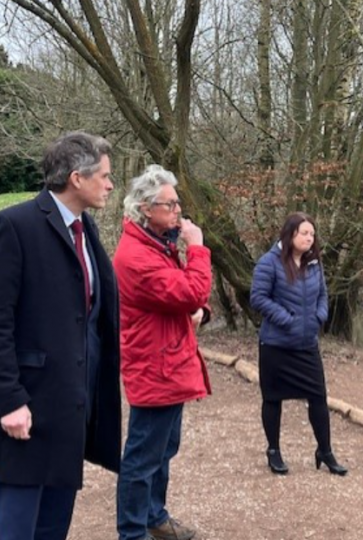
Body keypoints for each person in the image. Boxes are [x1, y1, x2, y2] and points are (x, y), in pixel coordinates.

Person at [0, 131, 121, 540]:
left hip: (69, 415)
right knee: (15, 532)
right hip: (27, 413)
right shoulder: (14, 225)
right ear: (77, 177)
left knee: (52, 532)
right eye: (105, 176)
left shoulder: (85, 229)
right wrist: (9, 402)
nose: (110, 184)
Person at [113, 165, 212, 540]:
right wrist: (198, 247)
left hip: (168, 361)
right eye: (170, 204)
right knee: (142, 458)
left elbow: (183, 294)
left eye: (177, 203)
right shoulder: (136, 255)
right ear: (145, 208)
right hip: (154, 366)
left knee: (164, 449)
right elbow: (189, 291)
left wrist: (198, 309)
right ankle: (132, 532)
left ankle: (154, 517)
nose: (178, 211)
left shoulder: (157, 243)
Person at [249, 212, 347, 476]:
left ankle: (325, 451)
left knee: (318, 397)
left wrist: (320, 316)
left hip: (306, 344)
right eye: (304, 233)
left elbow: (323, 294)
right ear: (290, 234)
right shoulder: (269, 263)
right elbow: (257, 298)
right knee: (272, 399)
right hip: (276, 345)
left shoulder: (314, 263)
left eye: (312, 234)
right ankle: (274, 451)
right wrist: (286, 319)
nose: (309, 238)